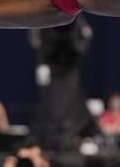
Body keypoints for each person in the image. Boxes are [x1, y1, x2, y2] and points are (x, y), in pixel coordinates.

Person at [30, 15, 94, 150]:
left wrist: (84, 36)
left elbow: (85, 34)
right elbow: (37, 40)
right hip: (52, 68)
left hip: (68, 68)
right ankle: (50, 141)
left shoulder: (75, 18)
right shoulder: (46, 20)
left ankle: (66, 138)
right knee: (52, 107)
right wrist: (42, 63)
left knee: (67, 105)